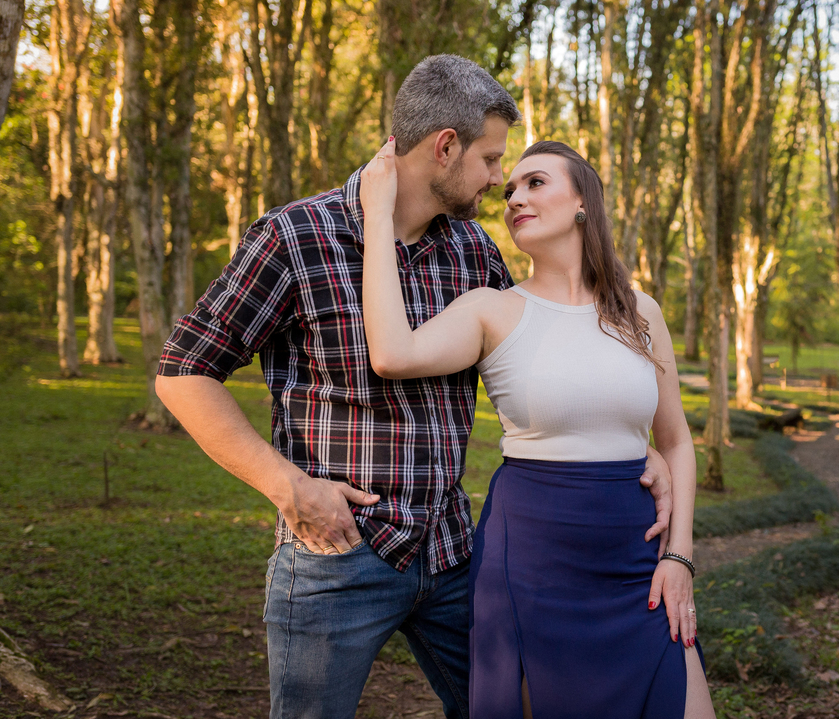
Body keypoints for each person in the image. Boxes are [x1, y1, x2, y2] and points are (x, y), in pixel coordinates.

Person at [154, 54, 673, 719]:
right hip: (337, 555)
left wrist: (625, 441)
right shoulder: (295, 237)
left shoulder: (474, 252)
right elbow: (183, 370)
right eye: (491, 161)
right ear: (445, 147)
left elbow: (541, 355)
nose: (498, 182)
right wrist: (288, 487)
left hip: (457, 553)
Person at [359, 138, 716, 718]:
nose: (515, 197)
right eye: (509, 190)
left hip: (635, 561)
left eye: (535, 183)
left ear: (582, 202)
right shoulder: (492, 310)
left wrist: (679, 559)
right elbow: (393, 355)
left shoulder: (640, 311)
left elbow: (674, 441)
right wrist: (378, 216)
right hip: (531, 562)